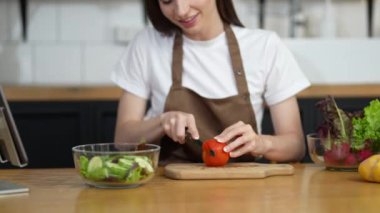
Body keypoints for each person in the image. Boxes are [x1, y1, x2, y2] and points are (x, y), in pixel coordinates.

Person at [111, 0, 310, 164]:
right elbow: (122, 140)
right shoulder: (147, 44)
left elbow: (296, 146)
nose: (181, 11)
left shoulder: (265, 46)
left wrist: (260, 143)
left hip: (245, 190)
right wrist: (162, 122)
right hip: (167, 190)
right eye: (167, 1)